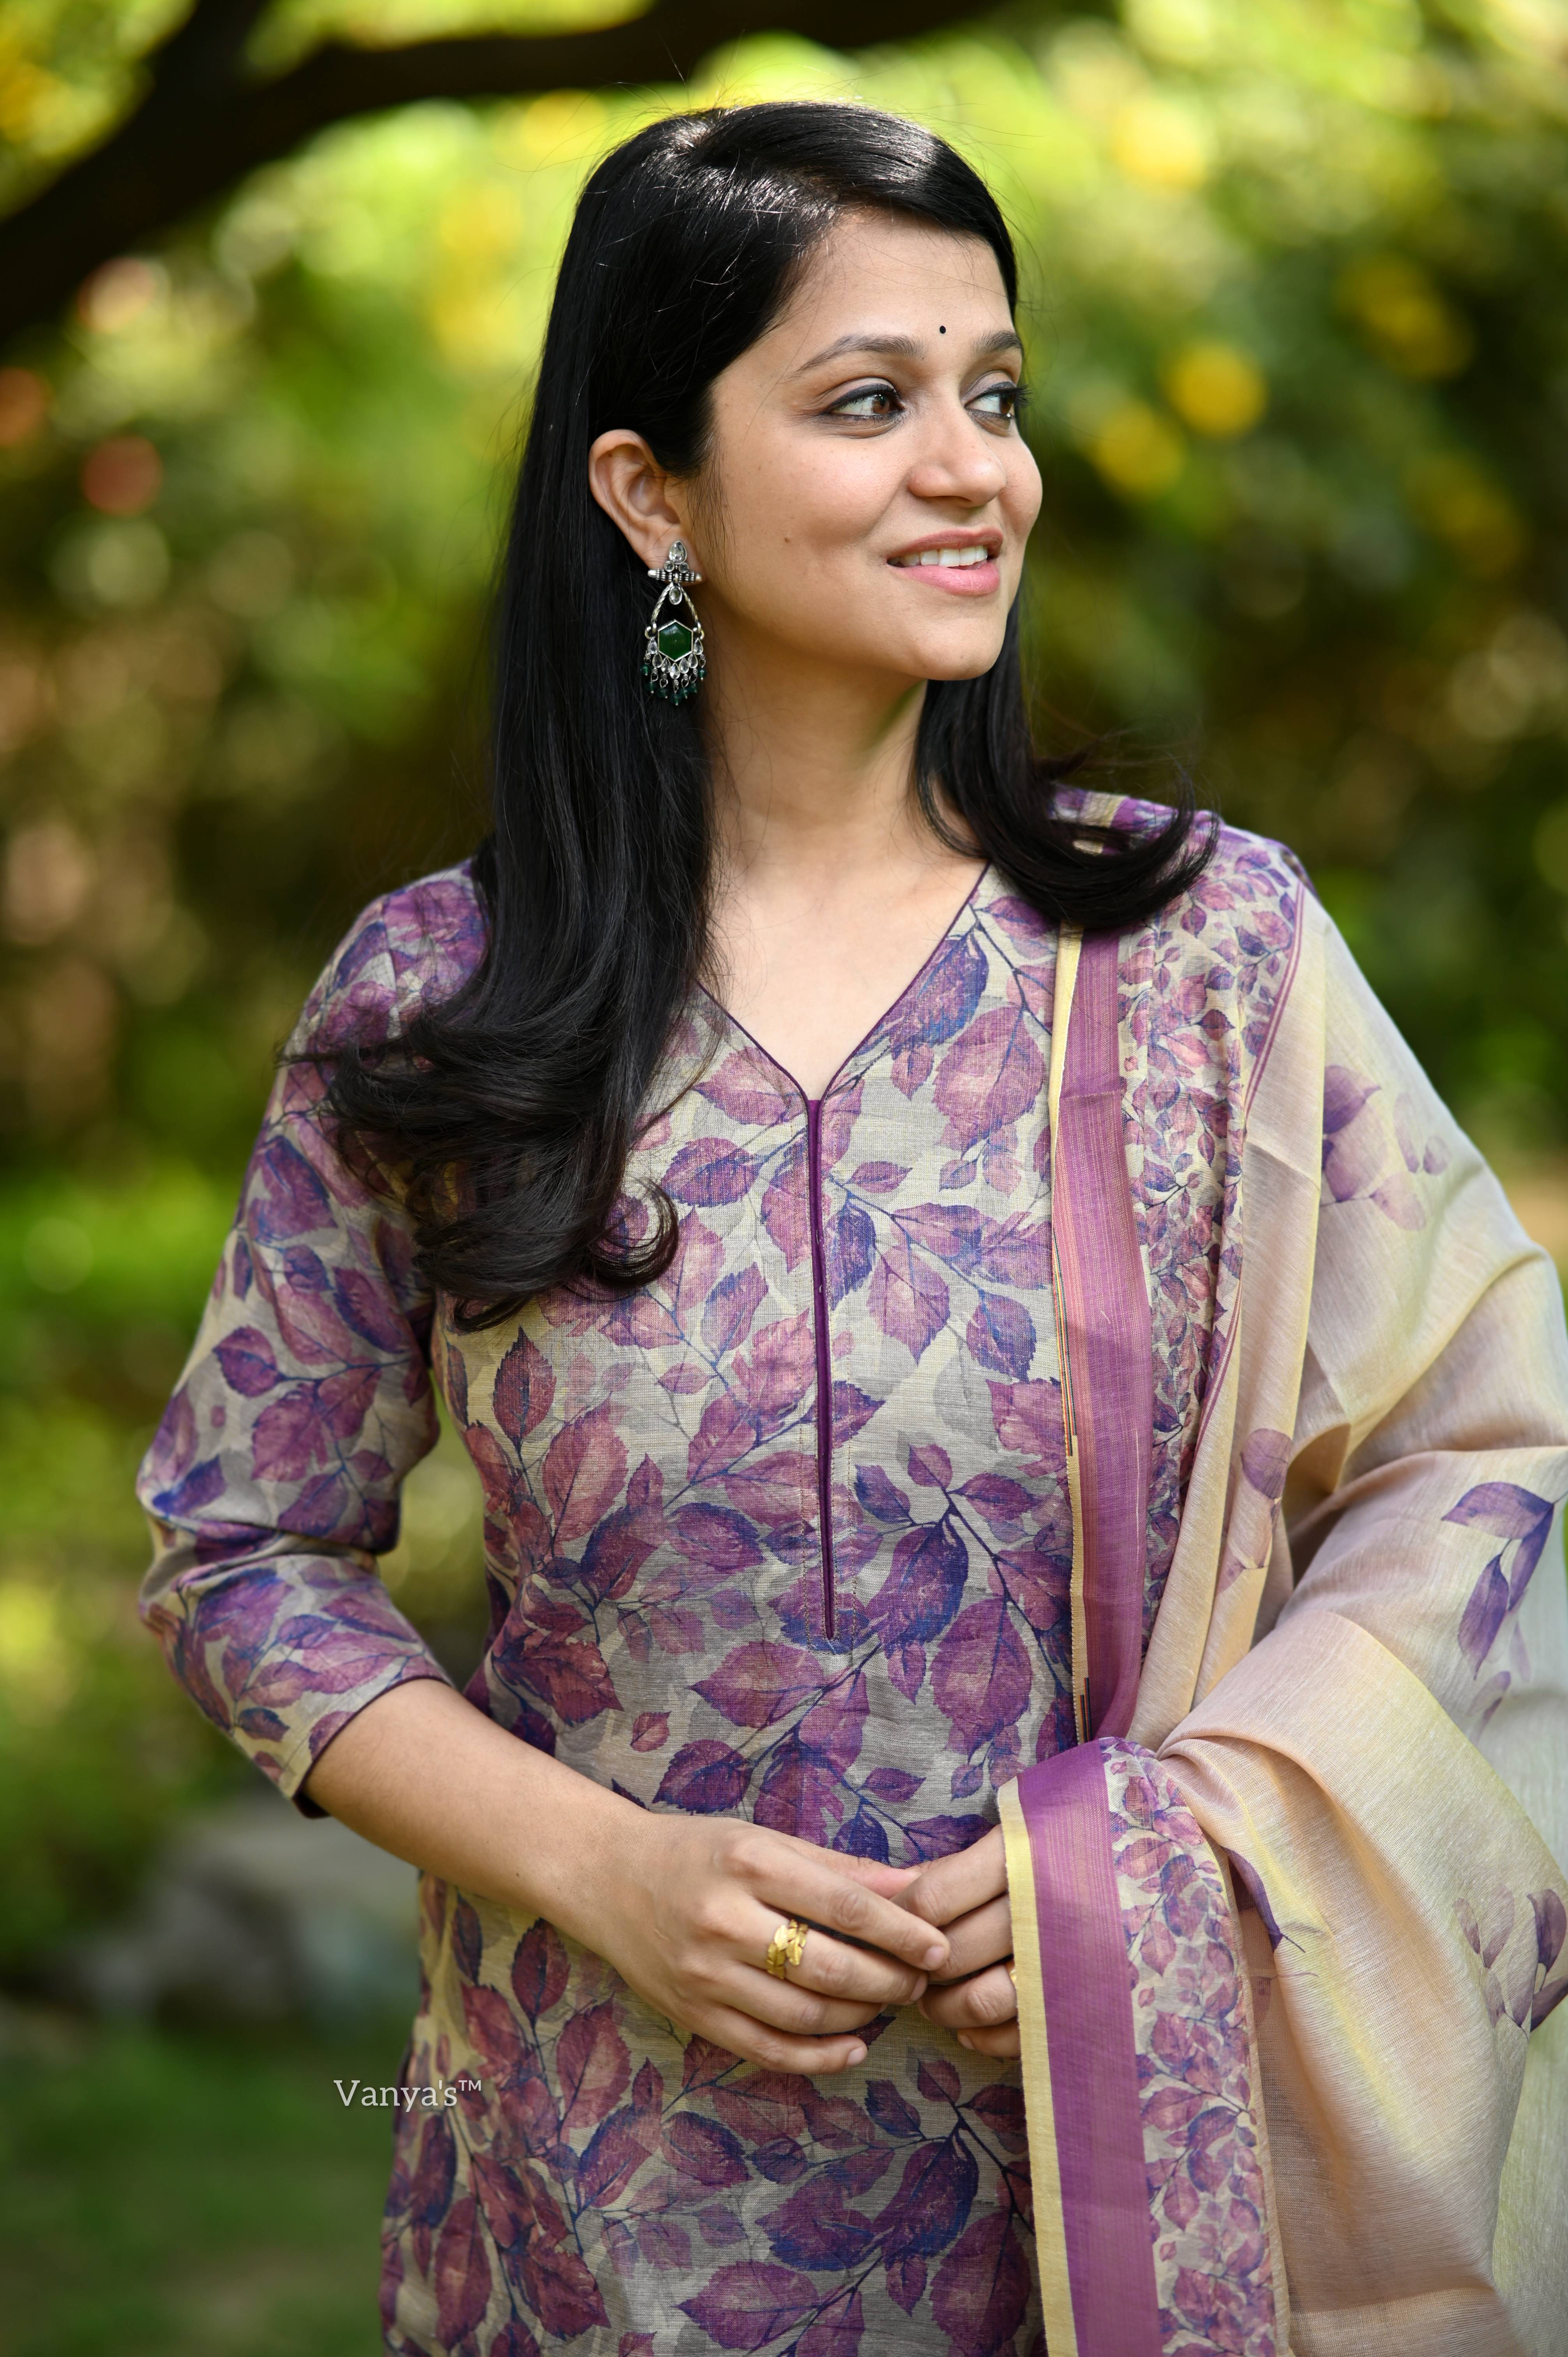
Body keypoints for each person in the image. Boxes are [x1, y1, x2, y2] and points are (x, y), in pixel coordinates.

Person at [137, 102, 1568, 2357]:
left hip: (1107, 2188)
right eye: (869, 401)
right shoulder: (448, 997)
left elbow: (1479, 1454)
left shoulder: (1202, 962)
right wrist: (605, 1868)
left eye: (995, 392)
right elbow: (242, 1554)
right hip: (590, 2204)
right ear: (651, 494)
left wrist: (1171, 1849)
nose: (975, 468)